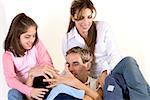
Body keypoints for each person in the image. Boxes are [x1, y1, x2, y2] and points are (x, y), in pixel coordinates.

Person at [62, 0, 150, 99]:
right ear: (73, 17)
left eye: (89, 17)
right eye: (81, 18)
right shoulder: (68, 39)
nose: (86, 22)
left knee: (129, 62)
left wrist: (105, 72)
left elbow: (114, 56)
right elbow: (70, 66)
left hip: (111, 70)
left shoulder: (103, 28)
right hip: (93, 80)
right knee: (111, 84)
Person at [2, 13, 55, 100]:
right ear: (17, 37)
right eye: (27, 37)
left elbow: (46, 62)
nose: (32, 40)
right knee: (13, 93)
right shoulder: (8, 56)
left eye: (34, 35)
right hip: (22, 88)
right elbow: (10, 80)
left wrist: (46, 73)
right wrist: (29, 90)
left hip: (39, 81)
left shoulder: (36, 44)